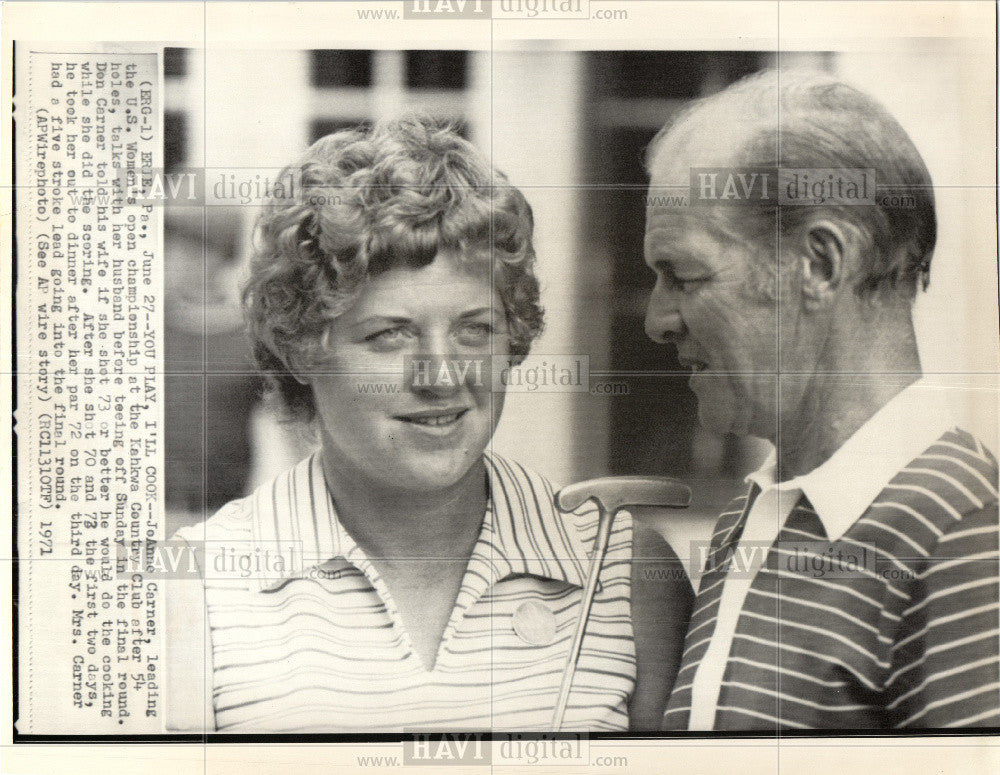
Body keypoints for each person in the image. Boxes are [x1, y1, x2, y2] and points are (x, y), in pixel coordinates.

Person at [165, 116, 692, 732]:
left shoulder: (622, 571)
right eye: (390, 335)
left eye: (477, 330)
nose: (442, 377)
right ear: (303, 348)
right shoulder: (195, 589)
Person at [642, 70, 999, 730]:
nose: (657, 319)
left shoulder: (967, 534)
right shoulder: (750, 517)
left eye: (685, 276)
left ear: (819, 265)